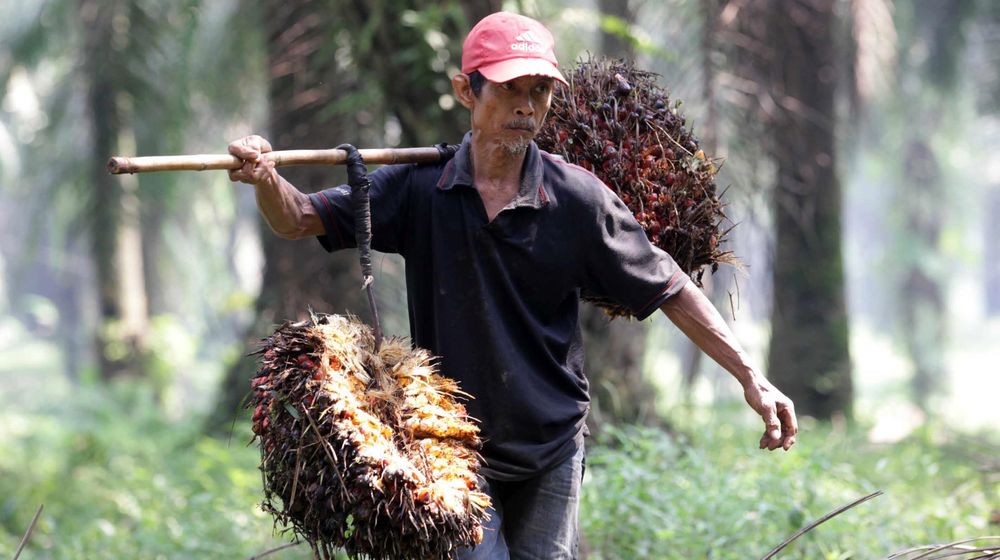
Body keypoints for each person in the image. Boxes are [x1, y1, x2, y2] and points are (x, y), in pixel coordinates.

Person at [229, 11, 797, 560]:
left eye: (539, 92)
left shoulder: (578, 200)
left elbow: (671, 287)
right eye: (507, 90)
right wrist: (264, 177)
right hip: (450, 445)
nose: (526, 107)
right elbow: (299, 216)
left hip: (551, 443)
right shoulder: (418, 190)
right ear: (466, 92)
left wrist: (753, 378)